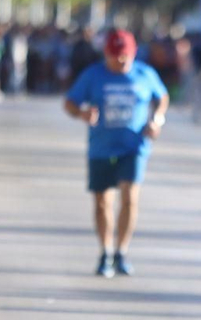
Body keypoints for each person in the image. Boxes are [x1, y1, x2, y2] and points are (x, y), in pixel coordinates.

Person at [63, 29, 169, 278]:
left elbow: (162, 97)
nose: (121, 61)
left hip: (134, 146)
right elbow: (70, 103)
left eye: (125, 56)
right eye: (115, 56)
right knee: (103, 202)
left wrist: (157, 119)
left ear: (133, 53)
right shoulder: (93, 75)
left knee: (130, 197)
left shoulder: (145, 74)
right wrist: (81, 113)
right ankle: (106, 252)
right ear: (106, 54)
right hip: (101, 148)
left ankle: (122, 251)